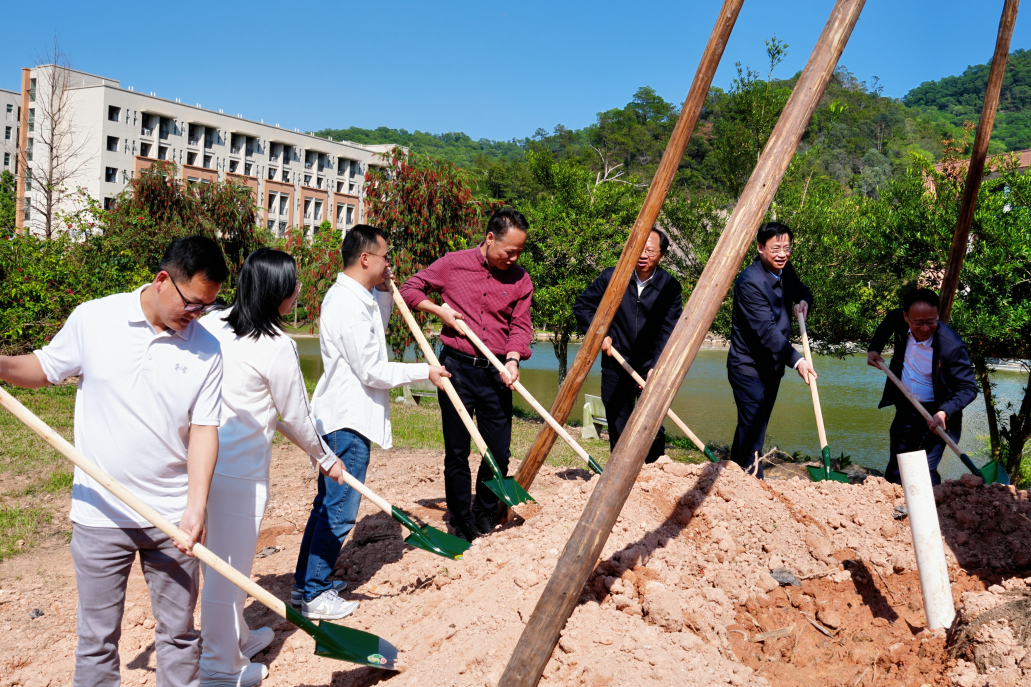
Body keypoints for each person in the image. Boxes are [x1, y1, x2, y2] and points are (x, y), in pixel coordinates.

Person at [0, 236, 226, 687]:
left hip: (171, 518)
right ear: (163, 280)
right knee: (97, 640)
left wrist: (196, 507)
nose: (196, 315)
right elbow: (45, 368)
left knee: (179, 635)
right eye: (192, 304)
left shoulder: (207, 349)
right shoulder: (95, 318)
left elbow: (204, 430)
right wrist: (1, 365)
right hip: (99, 515)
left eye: (207, 307)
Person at [198, 249, 347, 686]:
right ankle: (219, 671)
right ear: (278, 292)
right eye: (294, 284)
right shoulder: (277, 346)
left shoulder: (211, 323)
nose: (299, 289)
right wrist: (326, 459)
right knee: (229, 571)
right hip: (237, 475)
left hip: (196, 463)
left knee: (217, 563)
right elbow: (297, 415)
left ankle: (237, 637)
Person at [295, 225, 449, 618]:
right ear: (366, 258)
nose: (389, 264)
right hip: (346, 420)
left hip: (349, 416)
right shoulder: (345, 303)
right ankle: (314, 594)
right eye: (385, 257)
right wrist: (423, 371)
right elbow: (372, 369)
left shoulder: (357, 297)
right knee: (339, 509)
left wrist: (383, 294)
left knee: (327, 505)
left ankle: (307, 584)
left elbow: (373, 338)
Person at [399, 207, 533, 542]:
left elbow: (520, 326)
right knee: (457, 451)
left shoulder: (520, 279)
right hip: (455, 369)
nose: (513, 258)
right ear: (490, 238)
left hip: (496, 372)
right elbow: (409, 290)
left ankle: (486, 511)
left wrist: (513, 360)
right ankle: (461, 518)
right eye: (509, 251)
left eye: (519, 252)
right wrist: (438, 310)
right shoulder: (452, 263)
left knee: (498, 451)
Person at [573, 228, 682, 462]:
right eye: (640, 249)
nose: (643, 255)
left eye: (650, 251)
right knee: (618, 424)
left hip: (650, 368)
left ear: (661, 255)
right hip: (616, 364)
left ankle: (652, 478)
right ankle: (618, 479)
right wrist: (601, 334)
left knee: (651, 426)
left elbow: (669, 330)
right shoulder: (613, 277)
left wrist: (657, 366)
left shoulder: (670, 287)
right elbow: (583, 307)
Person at [727, 221, 816, 478]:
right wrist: (798, 361)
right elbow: (767, 332)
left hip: (772, 368)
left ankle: (734, 476)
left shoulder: (785, 270)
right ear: (760, 248)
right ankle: (753, 482)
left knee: (753, 426)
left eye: (787, 248)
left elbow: (802, 290)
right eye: (776, 248)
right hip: (748, 367)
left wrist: (803, 301)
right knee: (753, 425)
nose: (782, 254)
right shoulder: (750, 283)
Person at [867, 288, 977, 486]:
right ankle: (891, 513)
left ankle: (934, 511)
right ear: (906, 317)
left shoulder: (951, 346)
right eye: (918, 322)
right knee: (896, 469)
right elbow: (886, 325)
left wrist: (945, 412)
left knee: (924, 472)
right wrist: (874, 348)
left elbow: (968, 387)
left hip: (938, 416)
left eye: (931, 321)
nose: (925, 328)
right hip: (907, 407)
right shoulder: (898, 320)